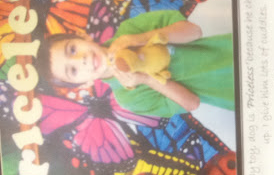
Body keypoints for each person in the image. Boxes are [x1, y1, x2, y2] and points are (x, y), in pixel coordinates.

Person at [40, 10, 235, 118]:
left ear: (82, 36)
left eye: (72, 49)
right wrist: (146, 79)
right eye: (73, 70)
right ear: (85, 84)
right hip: (230, 93)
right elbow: (192, 103)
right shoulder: (128, 98)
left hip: (232, 50)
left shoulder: (130, 29)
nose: (80, 60)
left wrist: (139, 38)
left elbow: (194, 32)